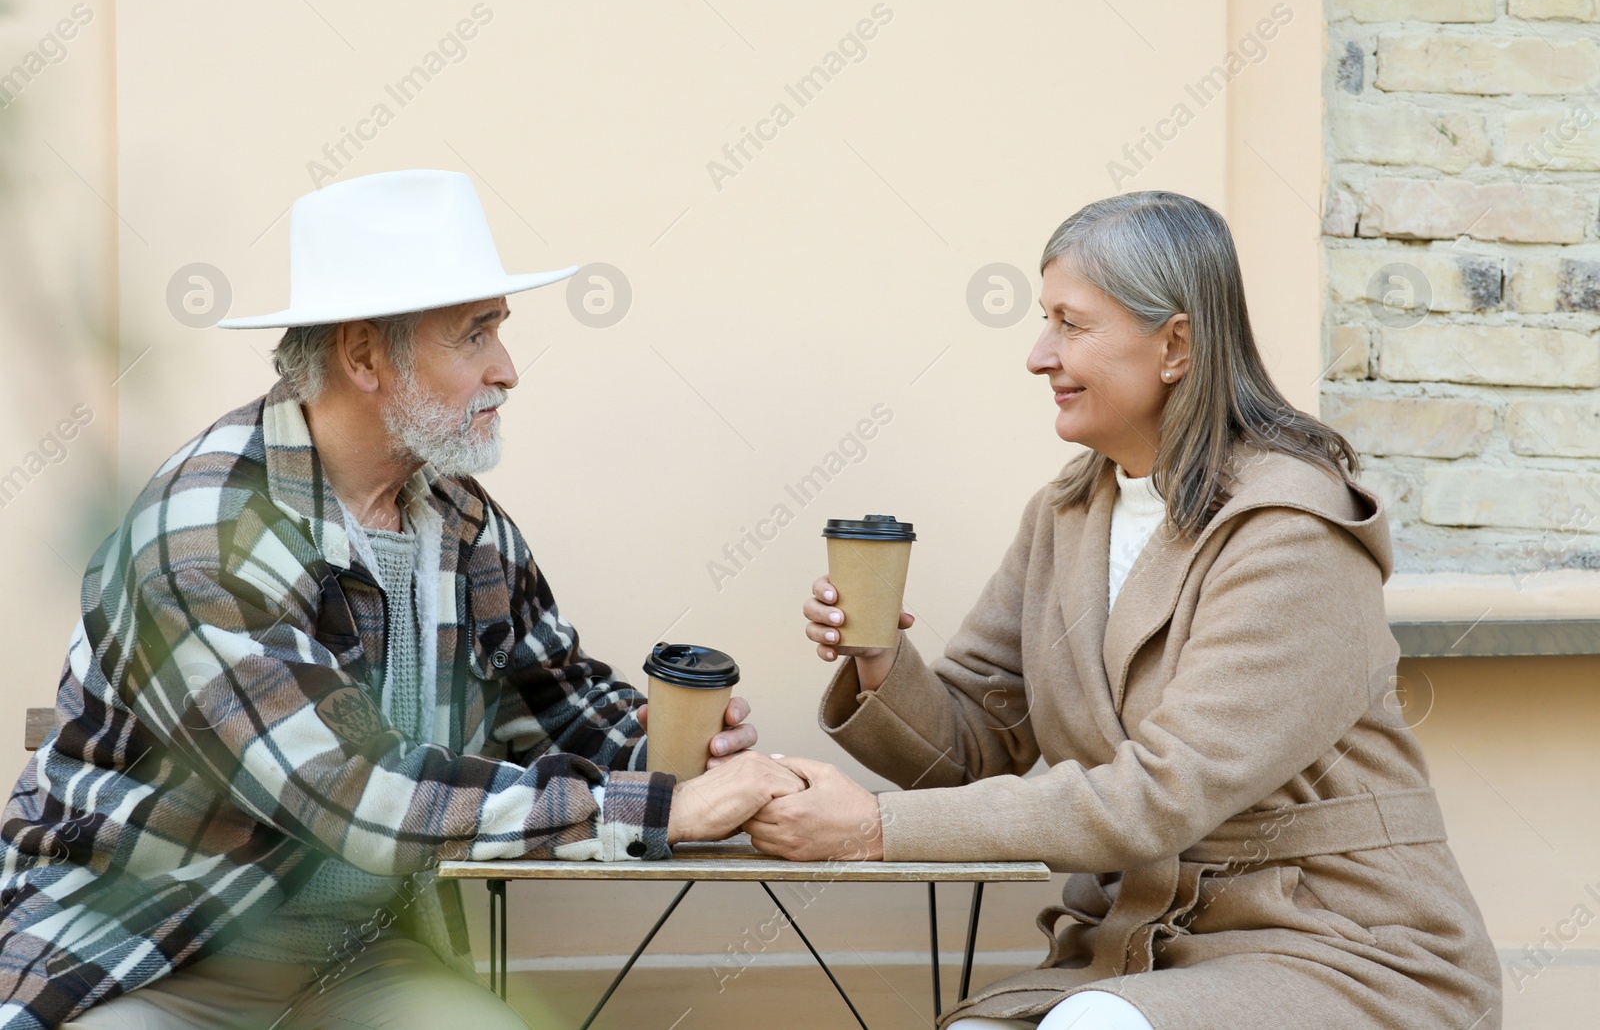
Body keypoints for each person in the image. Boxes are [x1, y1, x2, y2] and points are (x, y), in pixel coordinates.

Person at [0, 169, 801, 1030]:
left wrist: (678, 751)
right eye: (474, 335)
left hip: (358, 958)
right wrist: (662, 811)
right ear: (364, 355)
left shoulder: (457, 516)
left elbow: (552, 698)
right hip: (151, 954)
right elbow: (349, 790)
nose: (509, 370)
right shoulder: (205, 536)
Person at [746, 191, 1502, 1029]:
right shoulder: (1068, 513)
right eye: (1045, 321)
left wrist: (873, 828)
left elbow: (1161, 795)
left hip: (1338, 945)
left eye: (1072, 324)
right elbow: (972, 747)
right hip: (1140, 944)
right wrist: (882, 658)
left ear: (1174, 343)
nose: (1040, 356)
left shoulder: (1290, 529)